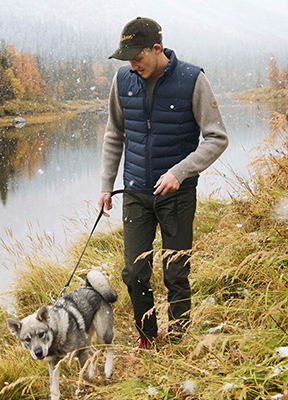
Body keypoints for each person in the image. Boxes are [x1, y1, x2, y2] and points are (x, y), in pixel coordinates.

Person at [98, 17, 228, 348]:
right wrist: (105, 185)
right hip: (135, 193)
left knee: (176, 272)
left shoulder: (192, 79)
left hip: (177, 194)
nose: (132, 65)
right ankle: (147, 337)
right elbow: (114, 134)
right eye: (127, 58)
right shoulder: (123, 79)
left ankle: (180, 338)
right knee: (134, 272)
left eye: (137, 58)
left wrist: (180, 172)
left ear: (156, 49)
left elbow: (216, 138)